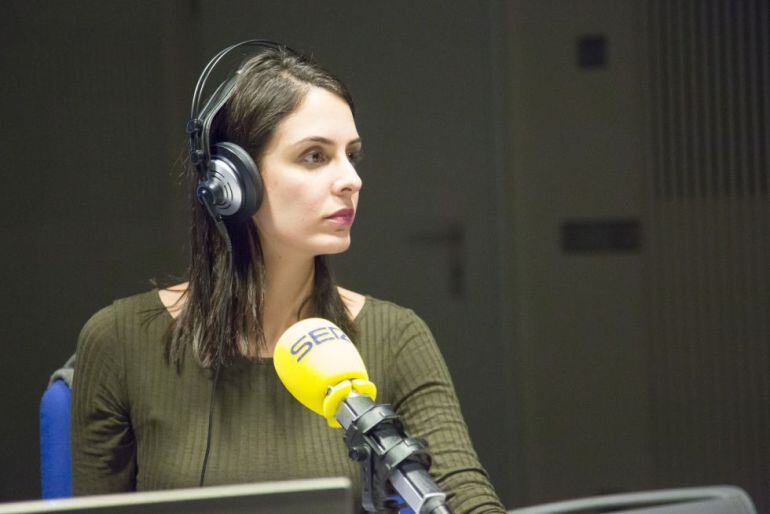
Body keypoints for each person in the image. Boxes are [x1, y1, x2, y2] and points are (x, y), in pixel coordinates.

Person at [71, 41, 506, 514]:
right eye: (315, 156)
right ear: (232, 182)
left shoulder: (395, 338)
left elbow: (464, 499)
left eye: (351, 155)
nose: (351, 180)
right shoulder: (119, 342)